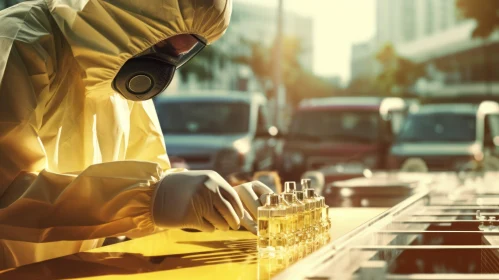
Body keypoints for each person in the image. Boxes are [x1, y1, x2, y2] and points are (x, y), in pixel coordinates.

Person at [0, 0, 273, 269]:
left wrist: (218, 206)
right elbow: (7, 194)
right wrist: (154, 198)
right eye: (163, 44)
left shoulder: (119, 68)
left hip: (67, 269)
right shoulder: (20, 39)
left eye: (178, 55)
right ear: (126, 13)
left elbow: (149, 189)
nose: (163, 66)